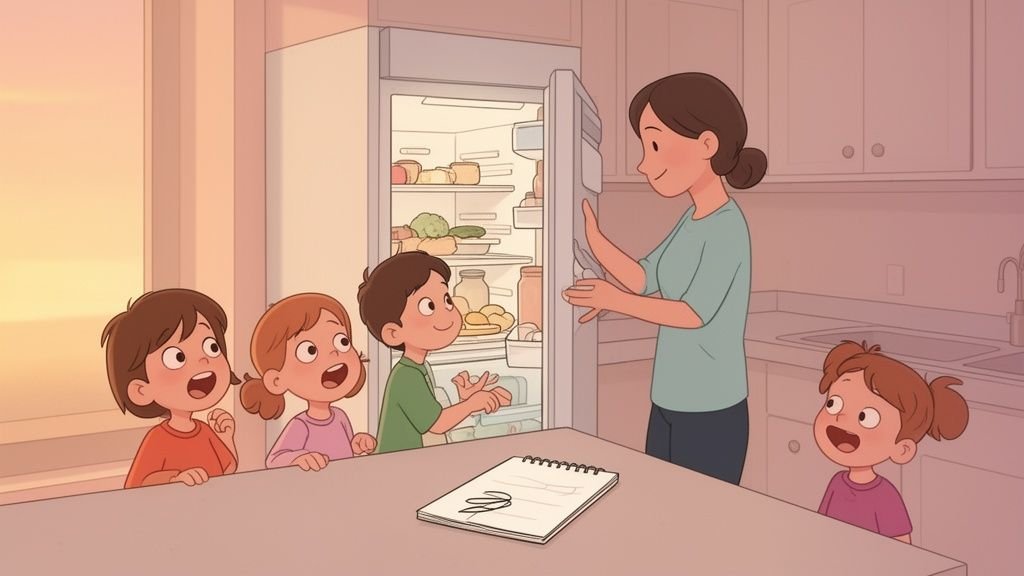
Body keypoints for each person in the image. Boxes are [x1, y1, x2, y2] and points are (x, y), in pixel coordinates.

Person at [561, 72, 766, 484]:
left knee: (699, 526)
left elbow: (693, 313)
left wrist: (613, 299)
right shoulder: (691, 219)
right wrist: (593, 239)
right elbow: (643, 277)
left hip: (712, 409)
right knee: (662, 511)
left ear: (707, 144)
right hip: (668, 401)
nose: (643, 162)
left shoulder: (728, 228)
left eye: (654, 144)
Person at [814, 340, 969, 543]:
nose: (841, 418)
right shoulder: (836, 483)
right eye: (833, 404)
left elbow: (902, 546)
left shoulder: (885, 496)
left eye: (866, 417)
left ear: (902, 449)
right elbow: (821, 527)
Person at [357, 251, 512, 453]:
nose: (446, 313)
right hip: (397, 465)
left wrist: (464, 400)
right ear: (394, 333)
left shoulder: (419, 366)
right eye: (428, 306)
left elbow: (430, 414)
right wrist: (472, 404)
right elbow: (437, 424)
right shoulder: (406, 376)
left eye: (446, 300)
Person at [101, 289, 241, 488]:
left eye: (212, 347)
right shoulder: (157, 440)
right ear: (141, 390)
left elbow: (228, 468)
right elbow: (136, 485)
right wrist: (175, 479)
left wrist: (227, 439)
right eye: (177, 357)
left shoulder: (206, 431)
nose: (203, 359)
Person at [240, 293, 377, 471]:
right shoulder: (301, 425)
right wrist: (299, 457)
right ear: (277, 380)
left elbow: (344, 451)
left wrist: (357, 444)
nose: (334, 354)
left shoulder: (341, 417)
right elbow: (273, 460)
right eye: (309, 351)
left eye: (342, 342)